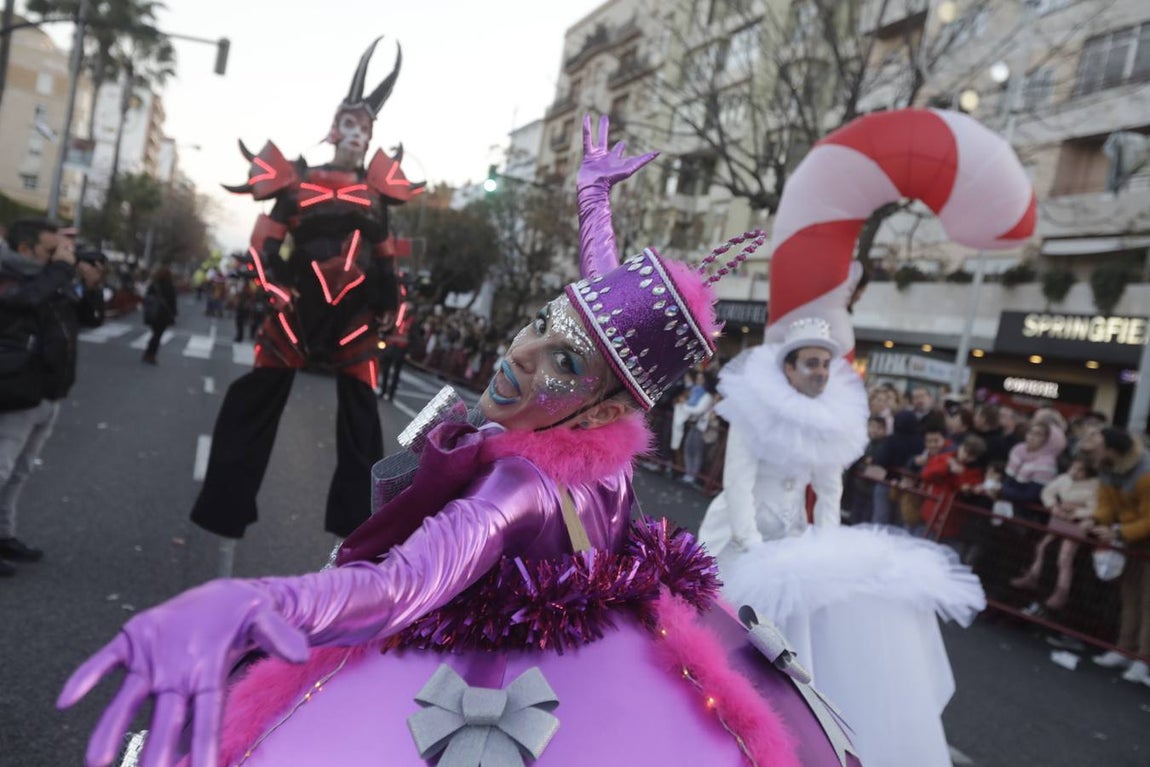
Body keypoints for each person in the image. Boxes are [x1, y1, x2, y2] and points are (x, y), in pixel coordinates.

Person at [58, 115, 860, 767]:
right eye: (537, 326)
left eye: (562, 364)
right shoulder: (601, 433)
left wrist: (253, 604)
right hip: (608, 651)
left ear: (593, 408)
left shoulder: (515, 487)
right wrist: (592, 203)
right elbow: (590, 310)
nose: (521, 356)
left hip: (498, 677)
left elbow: (400, 586)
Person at [696, 317, 984, 766]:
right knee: (727, 624)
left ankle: (789, 722)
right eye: (811, 363)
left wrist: (825, 549)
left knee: (799, 626)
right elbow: (739, 484)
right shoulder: (754, 409)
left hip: (791, 537)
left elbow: (830, 490)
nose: (821, 372)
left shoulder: (830, 418)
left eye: (826, 365)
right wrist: (752, 547)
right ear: (788, 368)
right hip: (740, 533)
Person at [190, 38, 425, 540]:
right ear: (334, 126)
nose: (358, 135)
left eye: (366, 129)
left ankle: (359, 530)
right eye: (351, 124)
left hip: (355, 318)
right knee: (256, 398)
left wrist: (392, 308)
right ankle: (223, 508)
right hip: (295, 311)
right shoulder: (295, 183)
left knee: (362, 421)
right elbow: (263, 245)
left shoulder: (377, 195)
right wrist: (273, 286)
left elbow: (387, 260)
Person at [0, 219, 104, 575]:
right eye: (50, 250)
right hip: (15, 388)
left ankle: (4, 534)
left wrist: (91, 288)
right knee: (0, 468)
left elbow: (89, 319)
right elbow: (25, 300)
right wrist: (60, 269)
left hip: (48, 390)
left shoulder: (50, 279)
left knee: (20, 470)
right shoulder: (10, 273)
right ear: (26, 250)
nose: (59, 257)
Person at [1089, 427, 1150, 685]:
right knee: (1130, 596)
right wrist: (1096, 521)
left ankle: (1142, 659)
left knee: (1148, 602)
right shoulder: (1107, 467)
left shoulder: (1145, 473)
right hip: (1129, 539)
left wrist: (1118, 532)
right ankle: (1125, 649)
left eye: (1097, 442)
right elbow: (1105, 503)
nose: (1090, 445)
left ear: (1112, 449)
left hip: (1137, 536)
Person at [1010, 457, 1099, 616]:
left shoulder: (1094, 486)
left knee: (1065, 557)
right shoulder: (1064, 479)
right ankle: (1033, 575)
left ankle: (1062, 590)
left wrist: (1076, 512)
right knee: (1042, 546)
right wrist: (1053, 505)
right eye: (1073, 468)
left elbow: (1095, 507)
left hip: (1077, 523)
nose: (1074, 472)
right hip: (1059, 518)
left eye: (1080, 470)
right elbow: (1048, 491)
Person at [141, 265, 177, 365]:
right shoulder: (169, 286)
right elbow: (172, 301)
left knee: (155, 335)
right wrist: (174, 314)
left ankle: (148, 353)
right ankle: (151, 355)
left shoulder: (154, 284)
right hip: (163, 315)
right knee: (157, 336)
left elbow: (147, 296)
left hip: (153, 313)